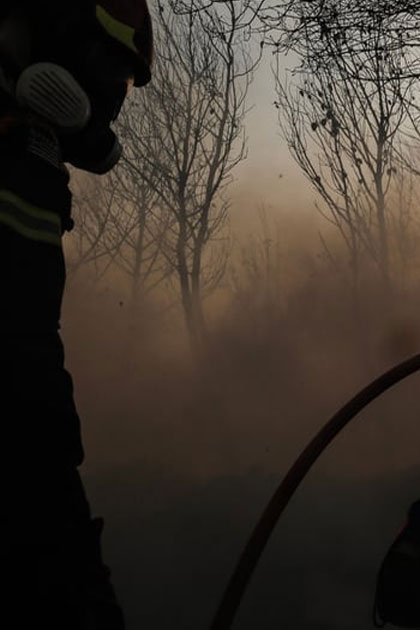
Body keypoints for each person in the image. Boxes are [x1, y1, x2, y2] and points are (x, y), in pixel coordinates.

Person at [0, 1, 153, 627]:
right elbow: (18, 358)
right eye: (111, 78)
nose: (109, 108)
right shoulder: (15, 156)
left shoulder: (24, 142)